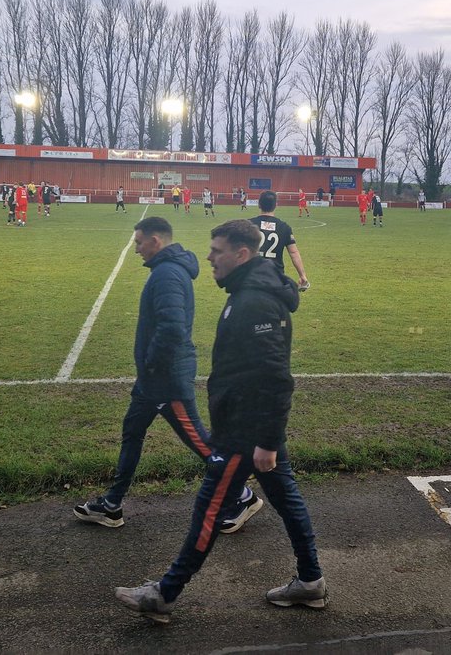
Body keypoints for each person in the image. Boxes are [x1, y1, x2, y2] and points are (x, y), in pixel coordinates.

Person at [115, 220, 327, 623]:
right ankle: (311, 582)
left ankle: (165, 593)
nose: (209, 257)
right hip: (249, 423)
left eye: (216, 250)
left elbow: (276, 378)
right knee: (286, 500)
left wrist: (265, 441)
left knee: (209, 508)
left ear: (241, 254)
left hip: (245, 431)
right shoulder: (246, 291)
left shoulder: (255, 302)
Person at [73, 217, 264, 532]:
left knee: (202, 445)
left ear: (155, 241)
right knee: (132, 433)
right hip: (151, 382)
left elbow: (173, 328)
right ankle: (112, 504)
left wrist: (150, 362)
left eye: (138, 243)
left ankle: (241, 496)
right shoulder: (166, 271)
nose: (136, 250)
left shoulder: (167, 274)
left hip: (166, 381)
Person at [250, 190, 310, 291]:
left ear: (259, 204)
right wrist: (302, 275)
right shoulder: (284, 227)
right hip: (275, 277)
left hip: (252, 276)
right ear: (276, 205)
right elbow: (294, 252)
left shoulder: (248, 225)